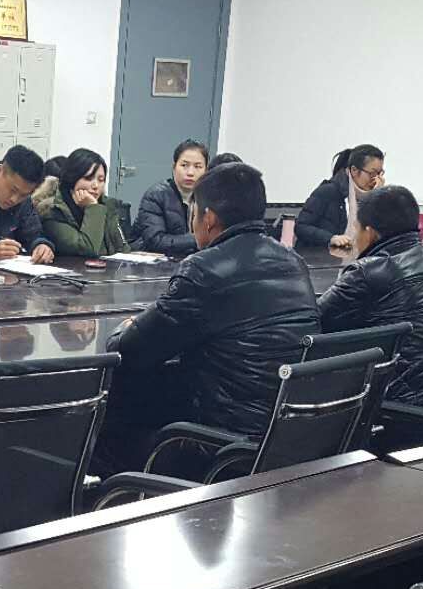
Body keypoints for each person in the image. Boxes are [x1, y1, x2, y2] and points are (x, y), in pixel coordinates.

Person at [100, 162, 321, 470]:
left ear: (209, 218)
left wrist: (123, 329)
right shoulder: (293, 261)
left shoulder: (204, 269)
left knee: (110, 408)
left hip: (224, 444)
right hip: (284, 435)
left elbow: (130, 351)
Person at [317, 185, 423, 416]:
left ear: (370, 232)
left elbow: (313, 325)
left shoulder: (371, 271)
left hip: (404, 411)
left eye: (356, 229)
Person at [34, 150, 129, 259]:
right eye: (88, 178)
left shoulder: (107, 205)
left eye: (101, 180)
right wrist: (93, 208)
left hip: (110, 268)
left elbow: (123, 248)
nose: (96, 186)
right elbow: (88, 249)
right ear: (72, 179)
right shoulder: (53, 210)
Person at [296, 144, 385, 253]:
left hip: (352, 258)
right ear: (354, 170)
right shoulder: (328, 191)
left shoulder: (370, 199)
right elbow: (301, 227)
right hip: (318, 258)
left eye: (380, 174)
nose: (376, 179)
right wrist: (330, 238)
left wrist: (379, 197)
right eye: (372, 173)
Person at [131, 140, 209, 256]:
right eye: (184, 165)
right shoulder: (156, 195)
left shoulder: (207, 196)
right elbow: (156, 241)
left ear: (206, 170)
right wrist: (199, 238)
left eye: (198, 166)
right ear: (174, 167)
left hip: (186, 259)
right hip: (151, 259)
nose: (190, 172)